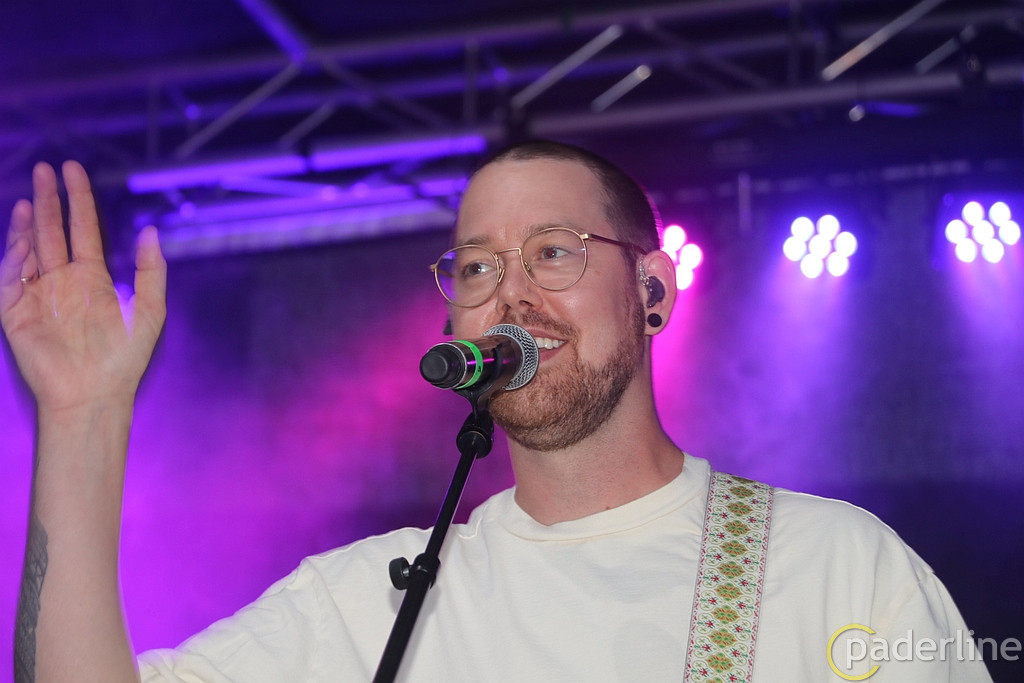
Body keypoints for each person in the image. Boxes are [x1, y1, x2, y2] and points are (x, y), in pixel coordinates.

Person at [2, 142, 991, 682]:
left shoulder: (834, 567)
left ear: (651, 291)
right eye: (477, 266)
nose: (511, 292)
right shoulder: (368, 601)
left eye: (554, 251)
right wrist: (83, 416)